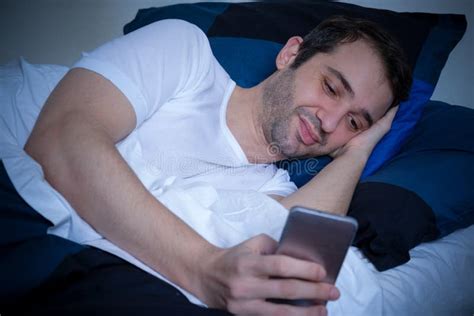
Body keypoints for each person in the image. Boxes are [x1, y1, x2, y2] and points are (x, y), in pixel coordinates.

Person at [3, 15, 411, 315]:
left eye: (354, 123)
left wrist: (359, 150)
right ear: (291, 54)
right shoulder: (187, 55)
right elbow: (60, 139)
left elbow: (289, 271)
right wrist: (203, 267)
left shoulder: (273, 193)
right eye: (331, 87)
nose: (328, 122)